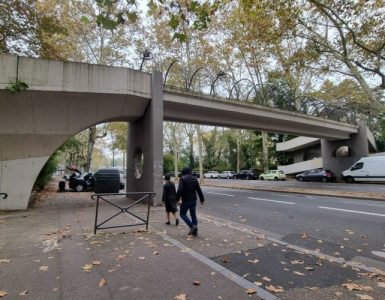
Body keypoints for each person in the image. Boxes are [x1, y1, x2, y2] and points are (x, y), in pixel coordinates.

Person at [176, 167, 205, 236]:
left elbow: (180, 190)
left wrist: (177, 199)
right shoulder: (195, 179)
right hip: (193, 200)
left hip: (186, 200)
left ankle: (192, 226)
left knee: (182, 214)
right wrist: (202, 199)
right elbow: (199, 190)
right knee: (193, 214)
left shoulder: (182, 179)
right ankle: (195, 232)